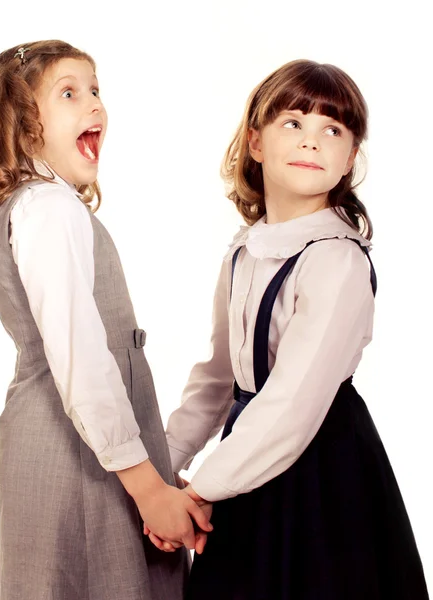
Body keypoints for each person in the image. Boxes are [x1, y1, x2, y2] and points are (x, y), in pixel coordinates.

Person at [158, 59, 429, 599]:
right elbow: (216, 379)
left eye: (332, 130)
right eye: (293, 123)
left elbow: (291, 403)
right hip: (246, 460)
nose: (312, 142)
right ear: (255, 142)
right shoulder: (244, 249)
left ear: (350, 158)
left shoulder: (337, 261)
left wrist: (198, 493)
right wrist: (163, 470)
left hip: (321, 473)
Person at [0, 39, 211, 600]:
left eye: (95, 89)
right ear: (24, 128)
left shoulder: (35, 205)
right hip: (77, 458)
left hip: (75, 448)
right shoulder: (48, 207)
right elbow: (82, 359)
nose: (94, 103)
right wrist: (148, 490)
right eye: (69, 93)